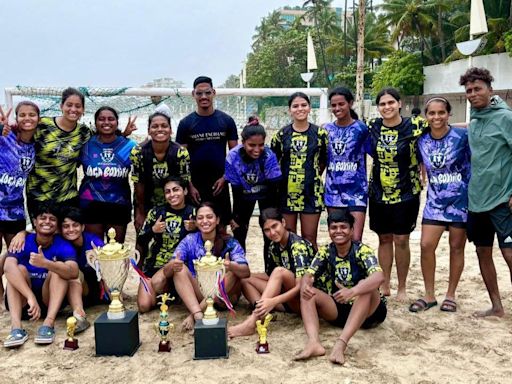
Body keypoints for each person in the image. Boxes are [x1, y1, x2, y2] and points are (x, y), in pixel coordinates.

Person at [294, 210, 386, 364]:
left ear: (351, 230)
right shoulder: (326, 251)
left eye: (343, 227)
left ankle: (340, 344)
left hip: (369, 312)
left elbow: (379, 277)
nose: (338, 231)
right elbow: (308, 275)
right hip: (338, 308)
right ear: (329, 231)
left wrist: (353, 291)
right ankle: (313, 342)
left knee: (366, 287)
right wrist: (306, 283)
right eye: (334, 227)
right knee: (307, 292)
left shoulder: (362, 250)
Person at [459, 67, 512, 317]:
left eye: (477, 89)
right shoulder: (476, 120)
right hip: (477, 199)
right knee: (482, 251)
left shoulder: (506, 118)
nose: (472, 94)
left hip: (503, 200)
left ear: (490, 89)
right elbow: (462, 127)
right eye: (468, 90)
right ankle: (497, 306)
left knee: (510, 254)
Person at [410, 97, 470, 313]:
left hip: (460, 201)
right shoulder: (421, 139)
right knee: (426, 245)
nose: (436, 117)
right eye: (432, 113)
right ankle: (429, 295)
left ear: (448, 114)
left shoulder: (462, 136)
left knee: (456, 248)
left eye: (441, 112)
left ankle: (451, 295)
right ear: (426, 116)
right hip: (434, 202)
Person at [366, 87, 425, 301]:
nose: (387, 107)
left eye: (391, 102)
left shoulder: (415, 125)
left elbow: (441, 127)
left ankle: (402, 287)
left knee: (401, 239)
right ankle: (385, 284)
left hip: (407, 192)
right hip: (379, 192)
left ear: (399, 104)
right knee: (384, 238)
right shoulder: (372, 126)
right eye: (382, 104)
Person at [228, 208, 315, 338]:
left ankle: (253, 322)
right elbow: (270, 276)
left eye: (275, 226)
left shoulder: (298, 245)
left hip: (306, 300)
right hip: (286, 300)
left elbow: (301, 287)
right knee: (245, 278)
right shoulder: (274, 246)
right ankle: (263, 313)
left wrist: (273, 301)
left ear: (284, 223)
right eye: (267, 230)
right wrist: (245, 273)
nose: (272, 233)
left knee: (279, 271)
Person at [3, 202, 78, 347]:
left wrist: (46, 263)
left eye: (52, 219)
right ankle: (16, 328)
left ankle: (48, 324)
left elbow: (73, 272)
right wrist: (30, 297)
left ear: (57, 225)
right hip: (23, 302)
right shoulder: (22, 241)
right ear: (35, 222)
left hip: (49, 301)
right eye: (43, 218)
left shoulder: (62, 244)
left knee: (59, 269)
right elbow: (7, 267)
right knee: (19, 269)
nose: (47, 222)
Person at [170, 202, 249, 330]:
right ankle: (198, 314)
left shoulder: (230, 242)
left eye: (209, 217)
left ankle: (194, 314)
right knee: (179, 269)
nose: (205, 221)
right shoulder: (189, 240)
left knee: (233, 270)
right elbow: (173, 262)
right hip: (200, 290)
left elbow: (246, 272)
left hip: (224, 296)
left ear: (217, 220)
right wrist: (175, 264)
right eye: (200, 218)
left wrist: (231, 266)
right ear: (195, 222)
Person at [176, 76, 238, 224]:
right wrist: (189, 185)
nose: (203, 97)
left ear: (213, 93)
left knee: (221, 227)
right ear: (193, 94)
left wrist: (225, 178)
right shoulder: (185, 124)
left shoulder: (226, 121)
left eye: (207, 93)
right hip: (195, 186)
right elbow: (181, 160)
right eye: (199, 93)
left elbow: (235, 155)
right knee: (196, 227)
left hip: (220, 184)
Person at [271, 92, 328, 250]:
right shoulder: (281, 135)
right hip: (286, 192)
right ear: (289, 110)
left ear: (310, 108)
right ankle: (290, 273)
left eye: (304, 105)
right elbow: (273, 163)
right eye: (295, 106)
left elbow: (323, 161)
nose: (300, 109)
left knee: (309, 238)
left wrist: (312, 176)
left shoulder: (321, 135)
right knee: (289, 237)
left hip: (312, 193)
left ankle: (311, 274)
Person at [225, 117, 281, 264]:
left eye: (261, 145)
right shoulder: (233, 157)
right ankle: (240, 268)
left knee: (270, 233)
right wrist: (235, 216)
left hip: (267, 193)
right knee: (239, 232)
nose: (257, 150)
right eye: (251, 145)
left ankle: (270, 271)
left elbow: (274, 187)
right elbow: (235, 190)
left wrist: (273, 213)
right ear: (242, 143)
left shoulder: (269, 156)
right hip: (243, 194)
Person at [136, 177, 196, 313]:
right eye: (167, 192)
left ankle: (173, 290)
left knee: (159, 282)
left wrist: (196, 228)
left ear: (185, 191)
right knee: (144, 306)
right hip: (154, 265)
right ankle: (169, 294)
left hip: (179, 267)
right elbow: (140, 241)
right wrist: (152, 230)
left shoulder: (194, 213)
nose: (172, 194)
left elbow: (206, 240)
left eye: (176, 190)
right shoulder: (156, 212)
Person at [79, 106, 137, 242]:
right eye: (101, 119)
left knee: (115, 252)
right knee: (94, 250)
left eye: (111, 119)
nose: (106, 122)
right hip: (90, 203)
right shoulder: (86, 145)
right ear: (95, 122)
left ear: (117, 122)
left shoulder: (129, 146)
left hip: (119, 203)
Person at [0, 102, 38, 301]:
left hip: (16, 208)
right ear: (16, 118)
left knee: (14, 252)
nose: (27, 118)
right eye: (22, 115)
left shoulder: (36, 145)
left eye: (32, 114)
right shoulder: (5, 137)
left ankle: (11, 289)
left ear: (38, 118)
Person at [131, 112, 190, 233]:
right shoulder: (138, 152)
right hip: (146, 200)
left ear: (170, 130)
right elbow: (138, 183)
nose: (160, 129)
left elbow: (184, 182)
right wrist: (140, 212)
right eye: (155, 126)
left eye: (164, 126)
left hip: (173, 200)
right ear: (148, 131)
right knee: (144, 236)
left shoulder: (181, 153)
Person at [324, 87, 369, 241]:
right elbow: (322, 160)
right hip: (333, 193)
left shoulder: (361, 129)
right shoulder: (326, 130)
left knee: (355, 240)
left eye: (341, 104)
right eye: (334, 105)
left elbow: (376, 155)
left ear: (350, 103)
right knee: (338, 239)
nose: (337, 108)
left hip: (357, 192)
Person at [59, 206, 105, 332]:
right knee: (69, 271)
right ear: (60, 229)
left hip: (93, 290)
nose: (71, 230)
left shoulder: (93, 242)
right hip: (71, 291)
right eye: (66, 226)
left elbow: (107, 270)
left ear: (83, 227)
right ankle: (78, 313)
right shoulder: (58, 242)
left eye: (75, 225)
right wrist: (21, 233)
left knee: (74, 272)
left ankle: (79, 315)